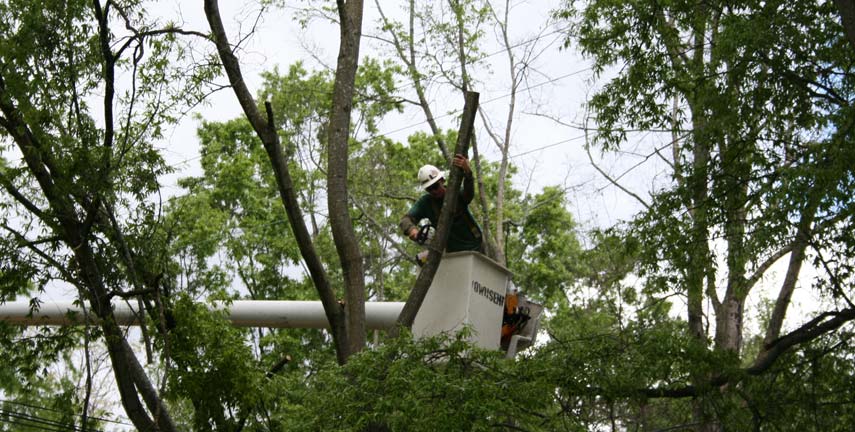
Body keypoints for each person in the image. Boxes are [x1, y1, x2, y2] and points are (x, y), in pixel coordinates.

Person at [399, 154, 483, 253]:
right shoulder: (426, 203)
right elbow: (405, 220)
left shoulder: (455, 193)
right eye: (429, 189)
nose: (434, 191)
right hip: (453, 252)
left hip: (477, 245)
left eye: (435, 186)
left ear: (442, 180)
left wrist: (468, 173)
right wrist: (413, 231)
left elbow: (469, 194)